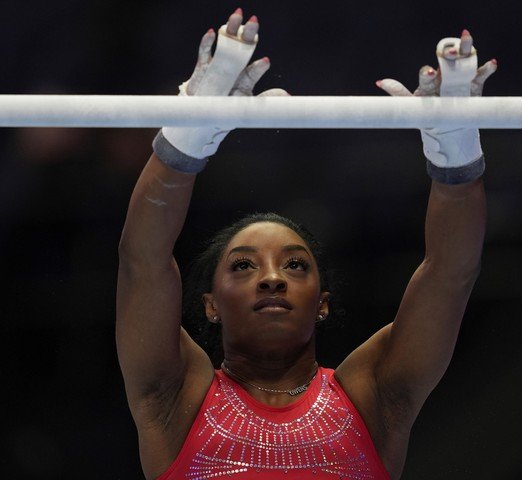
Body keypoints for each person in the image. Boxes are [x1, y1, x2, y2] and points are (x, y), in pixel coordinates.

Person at [116, 8, 496, 479]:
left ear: (322, 303)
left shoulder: (375, 396)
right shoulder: (173, 399)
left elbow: (450, 275)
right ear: (210, 305)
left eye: (295, 266)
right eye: (242, 267)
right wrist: (188, 133)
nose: (273, 278)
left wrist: (454, 147)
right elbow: (143, 261)